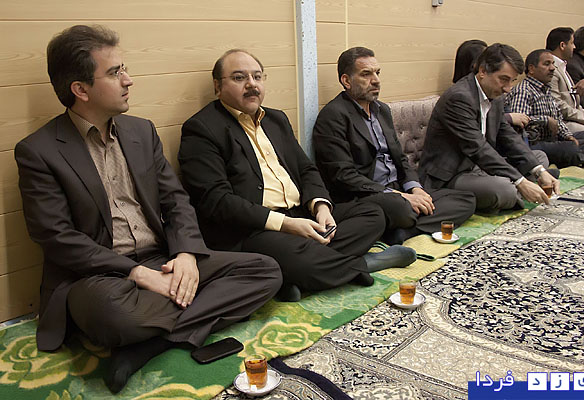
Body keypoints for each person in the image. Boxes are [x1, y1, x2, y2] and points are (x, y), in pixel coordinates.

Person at [14, 26, 283, 394]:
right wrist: (136, 273)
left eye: (124, 69)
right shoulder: (39, 151)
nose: (129, 80)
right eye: (114, 73)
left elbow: (176, 201)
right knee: (113, 315)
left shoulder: (141, 131)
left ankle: (151, 344)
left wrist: (186, 254)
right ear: (80, 89)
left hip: (163, 259)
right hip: (100, 276)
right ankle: (177, 318)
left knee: (265, 271)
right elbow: (57, 238)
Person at [178, 49, 416, 303]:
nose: (251, 85)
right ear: (218, 86)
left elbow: (306, 170)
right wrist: (286, 225)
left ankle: (293, 275)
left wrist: (321, 207)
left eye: (257, 77)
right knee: (297, 256)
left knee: (372, 214)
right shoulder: (202, 129)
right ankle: (362, 264)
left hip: (300, 214)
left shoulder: (276, 119)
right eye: (239, 78)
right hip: (254, 228)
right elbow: (217, 201)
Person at [313, 47, 476, 245]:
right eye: (366, 74)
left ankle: (403, 232)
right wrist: (400, 196)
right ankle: (406, 221)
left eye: (377, 73)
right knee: (401, 208)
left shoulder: (382, 110)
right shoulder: (333, 116)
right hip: (366, 194)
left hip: (397, 188)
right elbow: (344, 176)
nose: (376, 80)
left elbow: (400, 159)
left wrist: (415, 189)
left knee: (466, 200)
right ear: (346, 81)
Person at [418, 43, 559, 211]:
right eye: (504, 79)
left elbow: (508, 136)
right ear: (483, 71)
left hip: (482, 167)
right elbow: (477, 148)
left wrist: (539, 171)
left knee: (539, 159)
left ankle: (520, 185)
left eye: (512, 81)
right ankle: (517, 189)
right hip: (454, 173)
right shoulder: (459, 98)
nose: (508, 88)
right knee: (504, 190)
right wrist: (520, 181)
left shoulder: (496, 95)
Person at [505, 49, 584, 168]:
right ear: (531, 69)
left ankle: (571, 155)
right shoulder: (524, 91)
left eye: (553, 64)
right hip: (534, 143)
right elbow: (519, 122)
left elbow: (558, 119)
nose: (552, 68)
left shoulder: (546, 90)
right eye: (547, 64)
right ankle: (573, 156)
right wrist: (545, 120)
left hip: (552, 141)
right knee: (568, 148)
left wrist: (568, 136)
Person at [546, 27, 584, 155]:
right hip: (564, 120)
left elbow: (573, 98)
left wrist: (583, 112)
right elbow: (555, 103)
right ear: (562, 45)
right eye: (572, 43)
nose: (574, 47)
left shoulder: (563, 66)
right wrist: (580, 115)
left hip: (576, 116)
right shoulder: (552, 68)